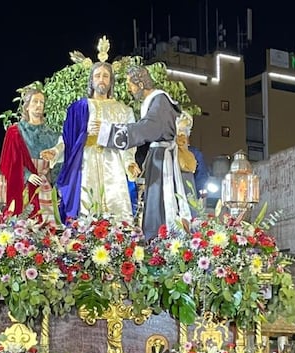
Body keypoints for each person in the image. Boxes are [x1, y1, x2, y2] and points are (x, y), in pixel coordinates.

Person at [97, 64, 191, 240]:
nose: (129, 89)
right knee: (154, 200)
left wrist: (110, 133)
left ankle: (160, 243)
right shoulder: (156, 101)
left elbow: (149, 127)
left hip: (163, 159)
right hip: (158, 155)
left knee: (159, 202)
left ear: (140, 84)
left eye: (130, 84)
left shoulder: (160, 100)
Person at [41, 61, 137, 223]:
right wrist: (55, 151)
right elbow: (67, 139)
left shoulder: (123, 110)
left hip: (112, 165)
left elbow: (128, 142)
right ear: (91, 80)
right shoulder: (78, 108)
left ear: (111, 81)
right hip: (86, 165)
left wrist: (129, 162)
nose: (101, 79)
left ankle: (118, 242)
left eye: (106, 76)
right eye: (97, 75)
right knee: (87, 209)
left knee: (116, 213)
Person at [0, 87, 60, 220]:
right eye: (35, 102)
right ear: (27, 106)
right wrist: (27, 174)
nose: (39, 105)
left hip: (45, 185)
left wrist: (58, 187)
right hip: (24, 186)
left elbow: (58, 163)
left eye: (41, 102)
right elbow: (8, 162)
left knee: (47, 226)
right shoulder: (15, 132)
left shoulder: (52, 135)